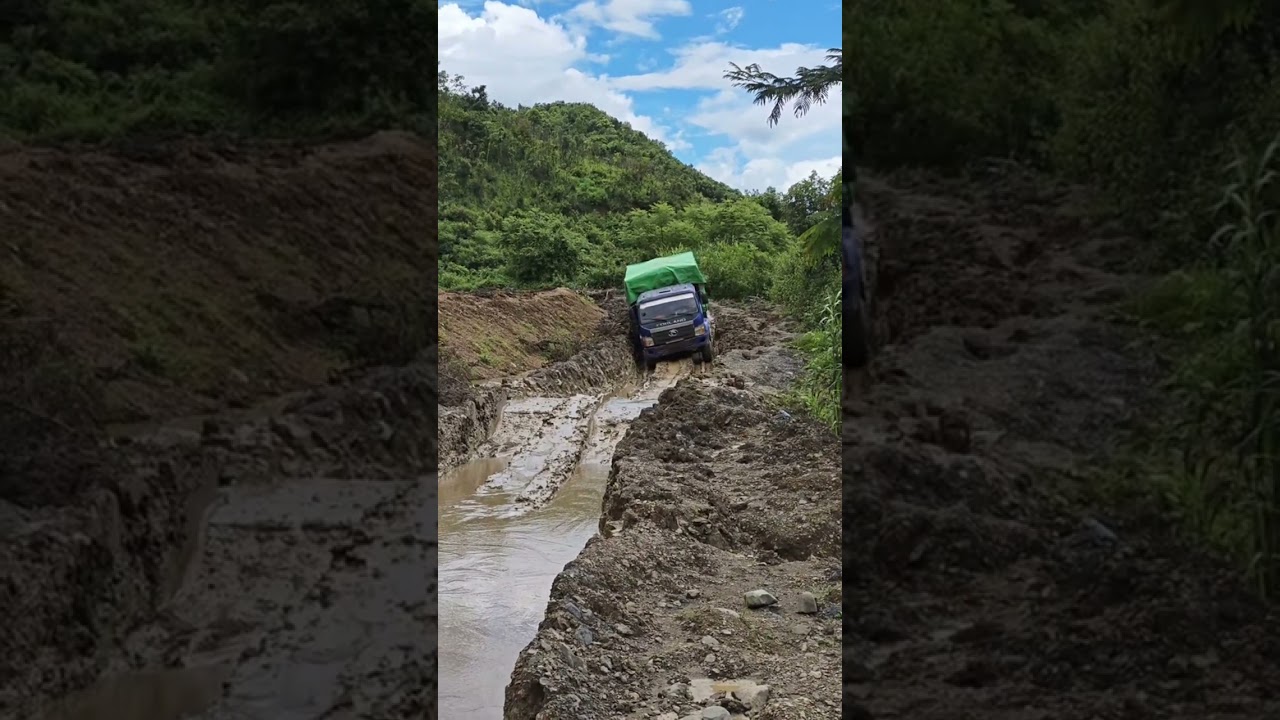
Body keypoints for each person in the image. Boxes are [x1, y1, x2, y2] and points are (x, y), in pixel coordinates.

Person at [843, 199, 872, 409]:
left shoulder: (848, 241)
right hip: (853, 304)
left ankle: (853, 396)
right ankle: (856, 395)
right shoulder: (852, 239)